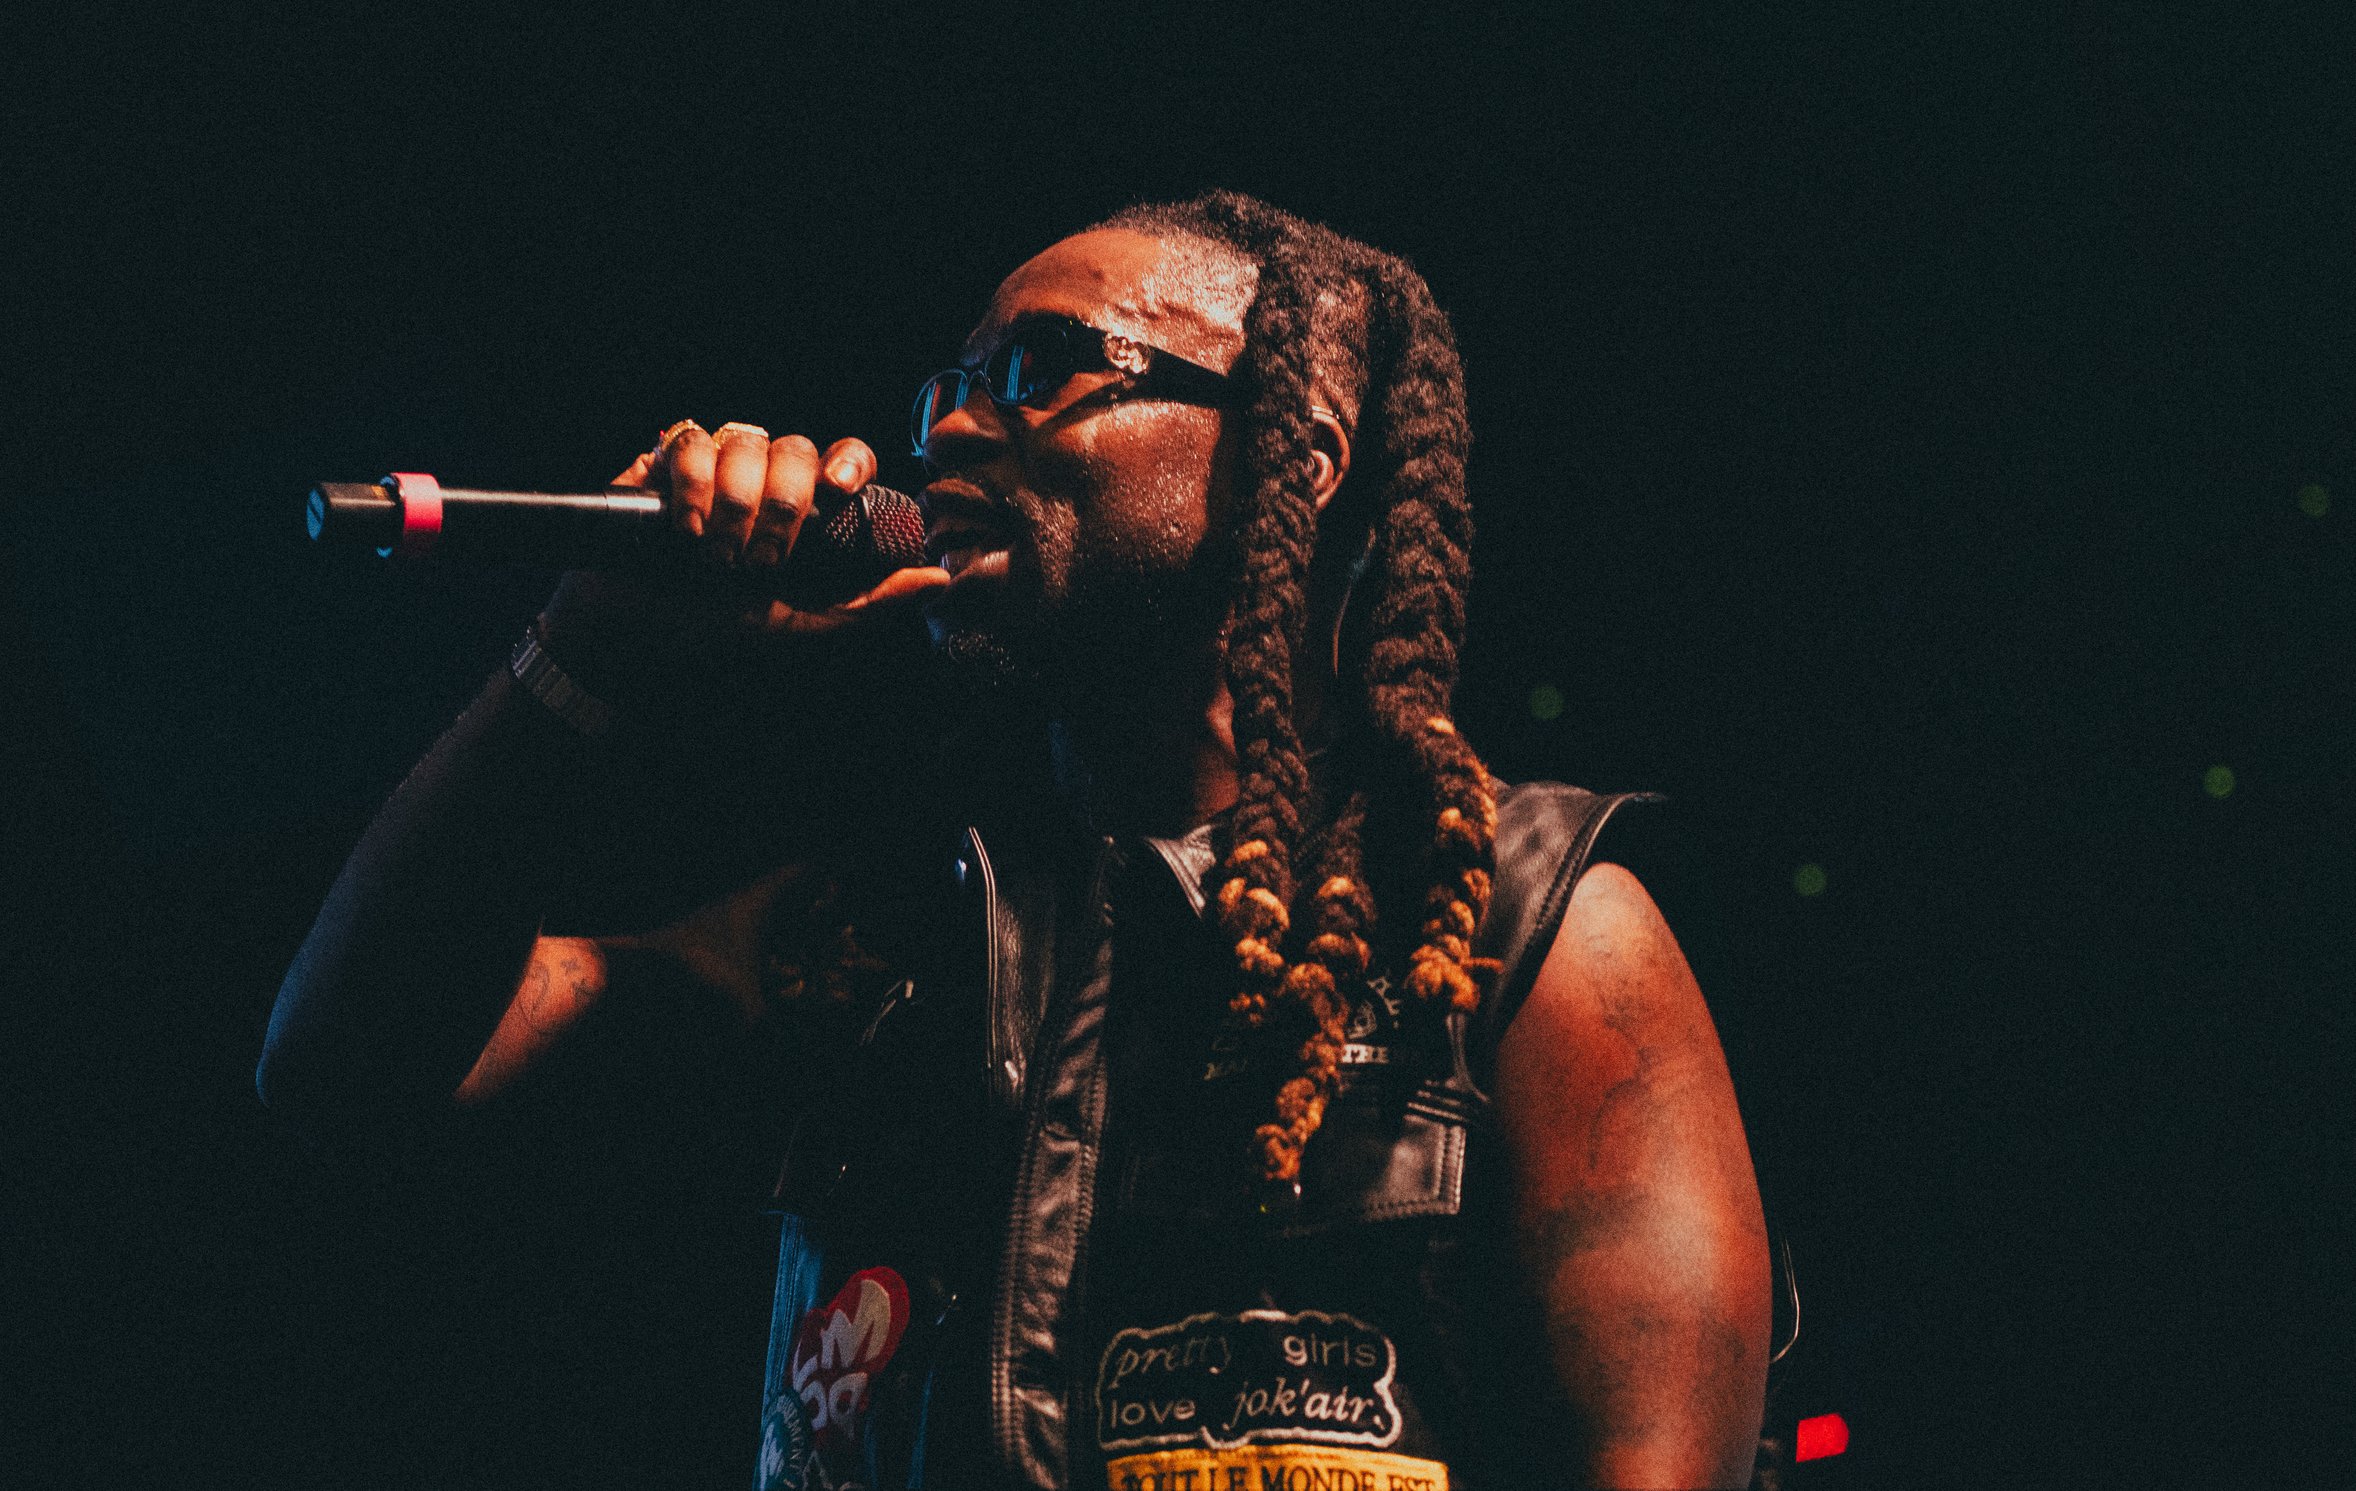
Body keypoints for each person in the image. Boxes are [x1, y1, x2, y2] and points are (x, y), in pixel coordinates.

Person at [260, 192, 1771, 1489]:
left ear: (1295, 463)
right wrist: (592, 650)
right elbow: (343, 1070)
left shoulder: (1517, 921)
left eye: (1042, 372)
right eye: (949, 388)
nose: (956, 428)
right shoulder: (874, 921)